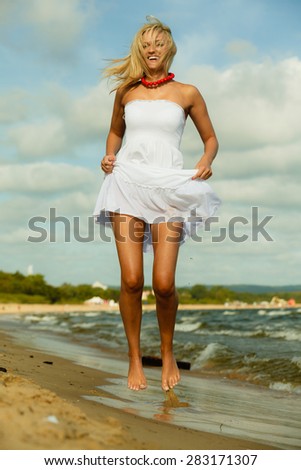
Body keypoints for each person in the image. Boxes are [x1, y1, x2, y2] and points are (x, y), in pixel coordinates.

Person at [94, 16, 220, 392]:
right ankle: (134, 357)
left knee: (163, 284)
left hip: (169, 188)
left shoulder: (188, 93)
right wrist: (108, 155)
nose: (152, 49)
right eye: (146, 44)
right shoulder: (126, 91)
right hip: (127, 185)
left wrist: (205, 163)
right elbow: (115, 132)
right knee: (132, 280)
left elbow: (210, 139)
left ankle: (166, 351)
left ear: (169, 48)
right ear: (140, 50)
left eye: (158, 43)